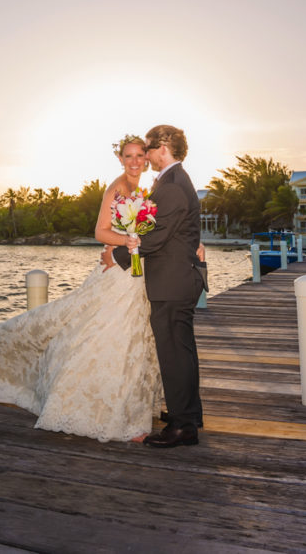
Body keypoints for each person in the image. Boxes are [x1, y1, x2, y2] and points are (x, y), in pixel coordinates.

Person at [0, 135, 162, 443]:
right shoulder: (116, 187)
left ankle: (127, 407)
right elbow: (100, 231)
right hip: (116, 273)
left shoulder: (141, 189)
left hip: (133, 273)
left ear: (146, 158)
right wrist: (126, 241)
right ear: (120, 159)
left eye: (139, 155)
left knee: (132, 338)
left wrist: (136, 241)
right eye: (128, 156)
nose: (134, 161)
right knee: (101, 333)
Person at [105, 124, 207, 448]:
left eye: (148, 148)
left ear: (163, 147)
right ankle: (187, 413)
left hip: (173, 282)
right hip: (177, 278)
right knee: (182, 351)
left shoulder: (174, 185)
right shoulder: (174, 181)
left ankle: (182, 427)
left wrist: (117, 254)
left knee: (175, 353)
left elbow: (156, 237)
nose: (145, 155)